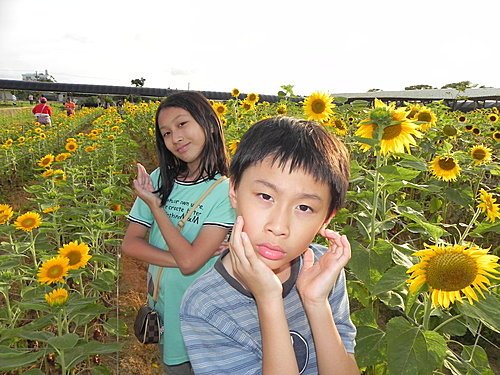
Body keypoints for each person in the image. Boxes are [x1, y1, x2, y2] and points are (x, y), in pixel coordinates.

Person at [180, 116, 359, 374]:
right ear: (233, 191)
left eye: (304, 207)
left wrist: (316, 303)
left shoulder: (324, 271)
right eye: (266, 196)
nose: (278, 226)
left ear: (326, 218)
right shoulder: (205, 304)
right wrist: (268, 299)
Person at [121, 91, 235, 375]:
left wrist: (156, 208)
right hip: (164, 307)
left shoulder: (226, 190)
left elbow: (190, 263)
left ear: (208, 123)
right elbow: (131, 244)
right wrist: (191, 257)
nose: (176, 138)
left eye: (183, 124)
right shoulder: (160, 178)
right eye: (167, 132)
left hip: (203, 314)